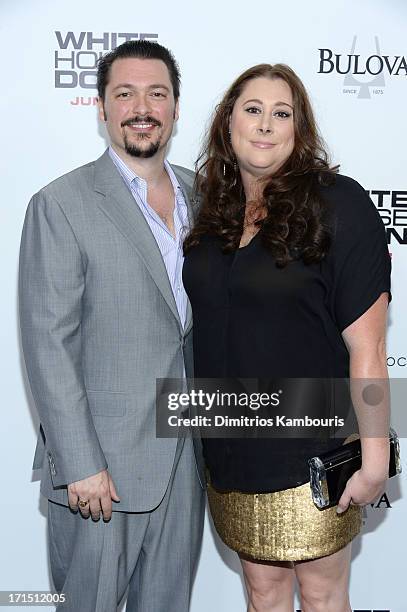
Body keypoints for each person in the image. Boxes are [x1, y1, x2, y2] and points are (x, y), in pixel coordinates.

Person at [183, 63, 391, 612]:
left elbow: (367, 346)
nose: (266, 125)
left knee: (322, 595)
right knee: (262, 591)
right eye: (253, 110)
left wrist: (374, 457)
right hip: (228, 443)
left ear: (300, 130)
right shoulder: (212, 211)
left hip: (311, 446)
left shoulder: (338, 203)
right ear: (228, 123)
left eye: (283, 113)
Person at [18, 40, 204, 612]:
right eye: (124, 94)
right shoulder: (61, 204)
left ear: (175, 107)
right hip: (100, 474)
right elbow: (47, 341)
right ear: (100, 108)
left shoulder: (204, 195)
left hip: (188, 462)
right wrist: (79, 463)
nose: (141, 107)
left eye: (157, 93)